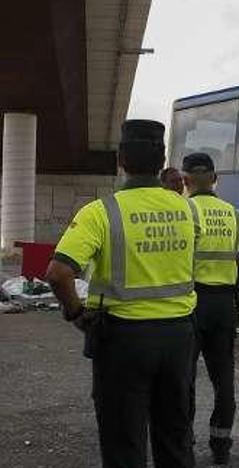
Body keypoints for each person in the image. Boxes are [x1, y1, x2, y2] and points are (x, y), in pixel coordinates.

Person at [44, 120, 199, 468]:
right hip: (179, 337)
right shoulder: (188, 211)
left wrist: (74, 313)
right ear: (161, 160)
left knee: (123, 443)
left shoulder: (101, 212)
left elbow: (58, 273)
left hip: (122, 341)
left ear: (121, 159)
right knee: (176, 438)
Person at [181, 152, 239, 465]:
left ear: (185, 181)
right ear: (215, 179)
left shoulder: (183, 212)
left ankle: (183, 441)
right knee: (223, 377)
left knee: (184, 377)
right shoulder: (234, 215)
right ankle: (221, 444)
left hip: (188, 303)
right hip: (223, 304)